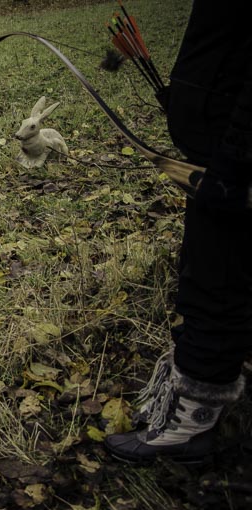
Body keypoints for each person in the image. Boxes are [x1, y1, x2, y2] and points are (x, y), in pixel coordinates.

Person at [105, 0, 251, 463]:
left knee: (217, 280)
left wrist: (234, 161)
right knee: (206, 272)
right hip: (218, 156)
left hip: (232, 167)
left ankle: (192, 423)